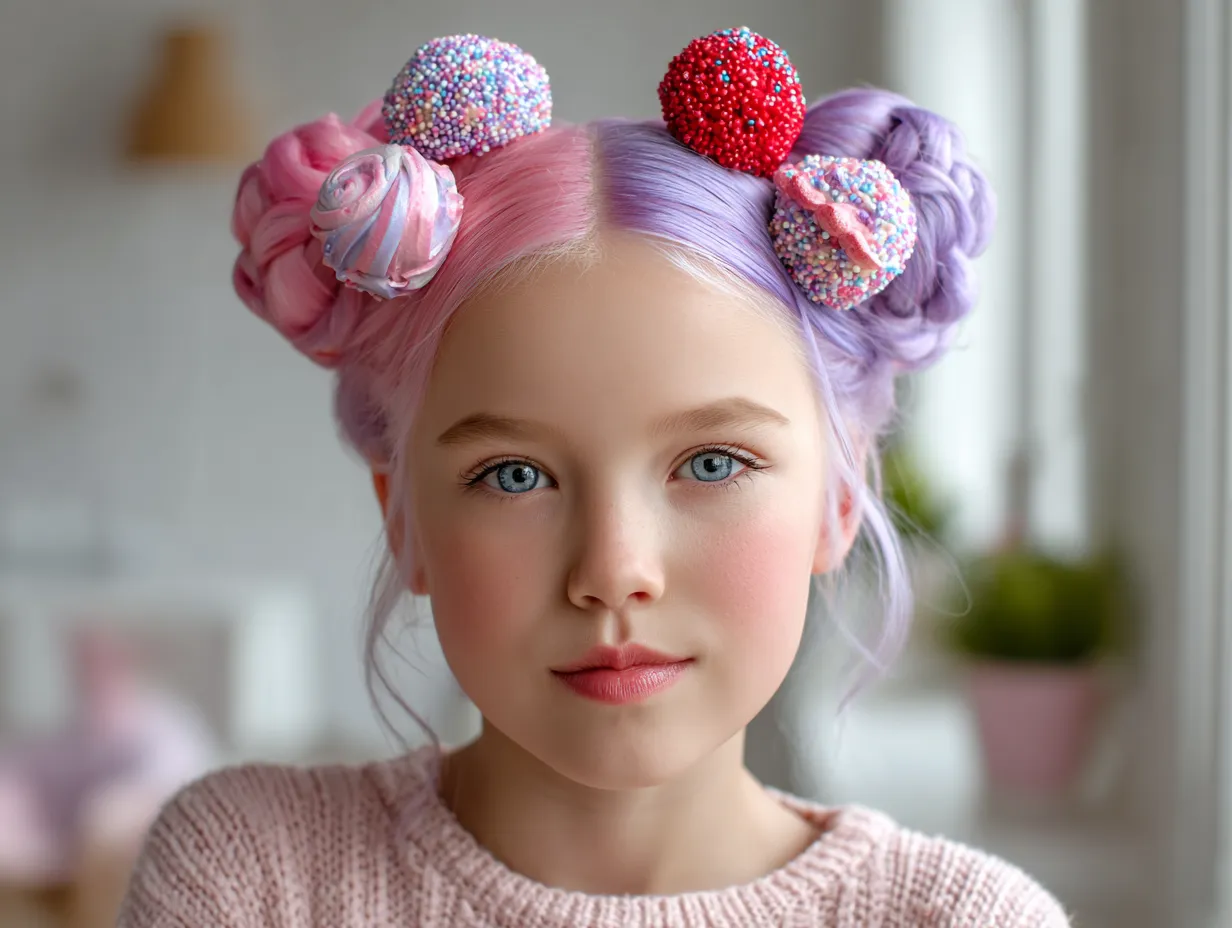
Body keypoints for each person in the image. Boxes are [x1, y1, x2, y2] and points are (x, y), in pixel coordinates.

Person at [117, 28, 1068, 927]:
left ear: (841, 498)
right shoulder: (253, 879)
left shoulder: (965, 919)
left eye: (711, 463)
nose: (614, 571)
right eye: (515, 475)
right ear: (400, 514)